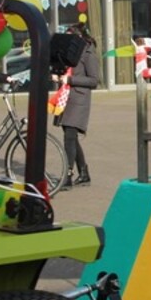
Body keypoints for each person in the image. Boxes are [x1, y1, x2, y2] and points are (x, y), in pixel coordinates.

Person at [53, 24, 100, 187]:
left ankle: (67, 176)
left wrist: (70, 80)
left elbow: (94, 80)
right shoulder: (69, 53)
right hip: (66, 98)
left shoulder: (88, 53)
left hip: (79, 99)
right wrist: (58, 76)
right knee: (71, 137)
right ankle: (84, 173)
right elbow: (66, 72)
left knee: (69, 137)